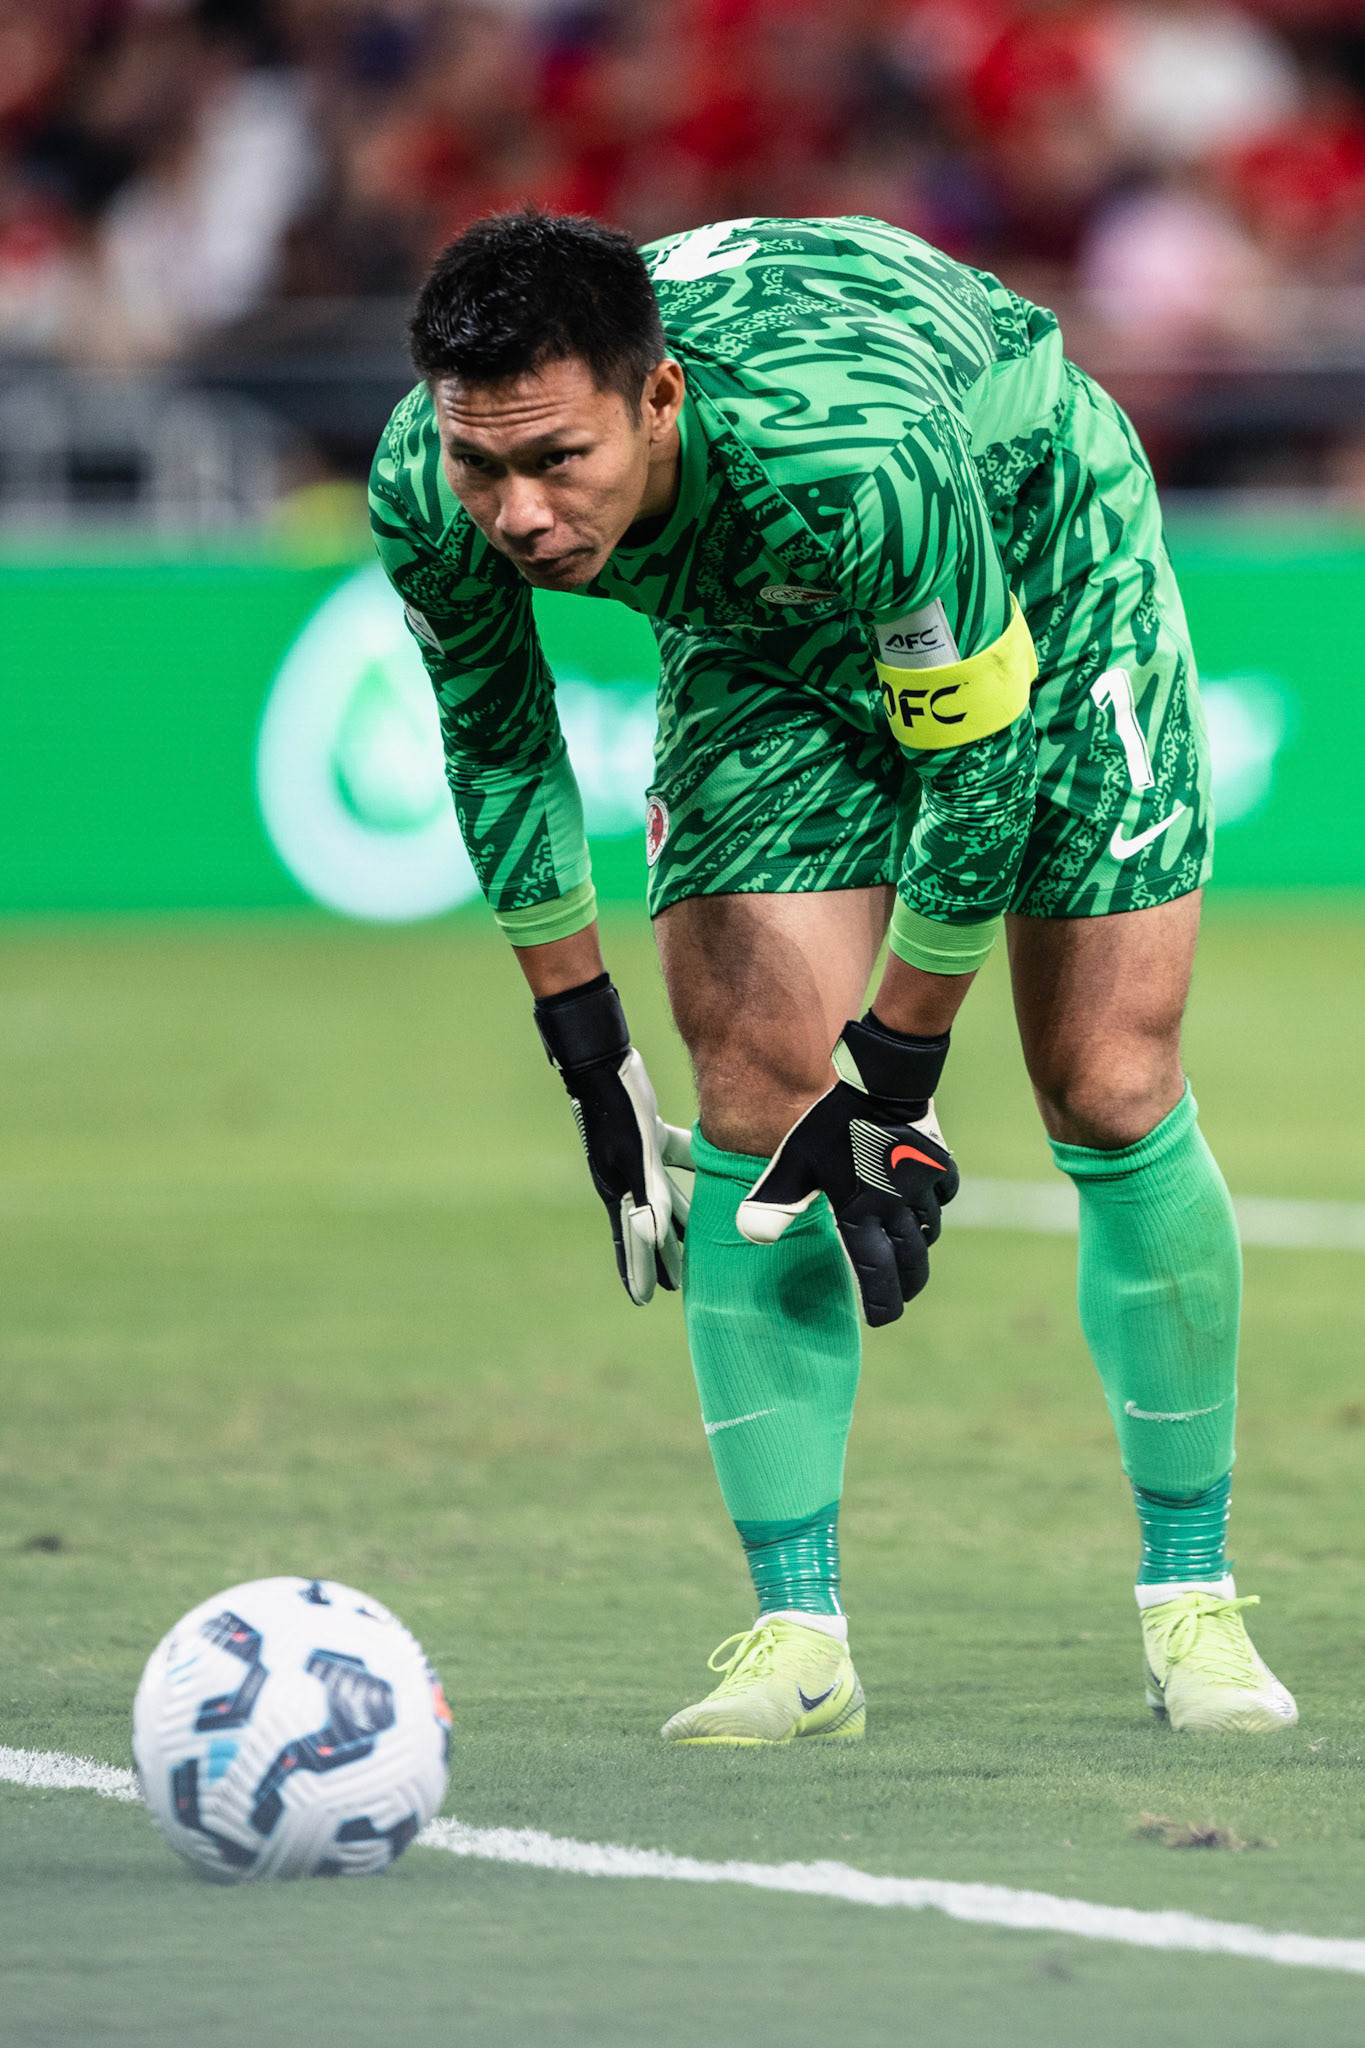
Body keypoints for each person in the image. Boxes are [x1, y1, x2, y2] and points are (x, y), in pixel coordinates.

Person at [370, 208, 1297, 1744]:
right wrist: (589, 1056)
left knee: (1108, 1086)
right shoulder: (429, 477)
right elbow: (498, 739)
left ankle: (1189, 1602)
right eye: (486, 465)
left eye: (557, 461)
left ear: (657, 399)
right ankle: (795, 1640)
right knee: (750, 1097)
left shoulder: (848, 453)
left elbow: (978, 765)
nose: (519, 514)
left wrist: (893, 1081)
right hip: (757, 628)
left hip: (1040, 560)